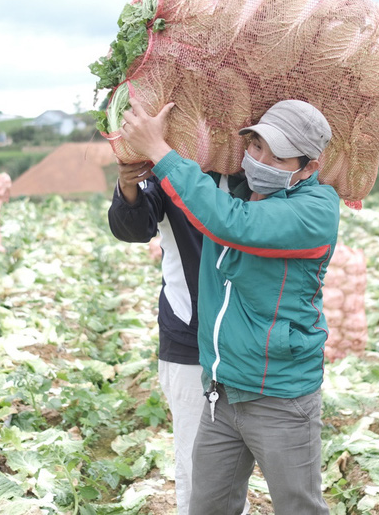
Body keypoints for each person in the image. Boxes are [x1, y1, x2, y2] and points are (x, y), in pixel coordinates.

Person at [120, 97, 339, 515]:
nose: (259, 160)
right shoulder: (239, 189)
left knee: (299, 508)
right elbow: (194, 205)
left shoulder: (314, 212)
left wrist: (159, 150)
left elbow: (228, 222)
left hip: (278, 396)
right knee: (208, 507)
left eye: (277, 156)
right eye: (256, 147)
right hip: (221, 392)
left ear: (309, 167)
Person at [108, 159, 244, 515]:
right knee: (198, 458)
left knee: (252, 457)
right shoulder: (170, 167)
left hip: (254, 337)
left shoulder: (258, 163)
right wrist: (128, 186)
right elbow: (135, 226)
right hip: (190, 334)